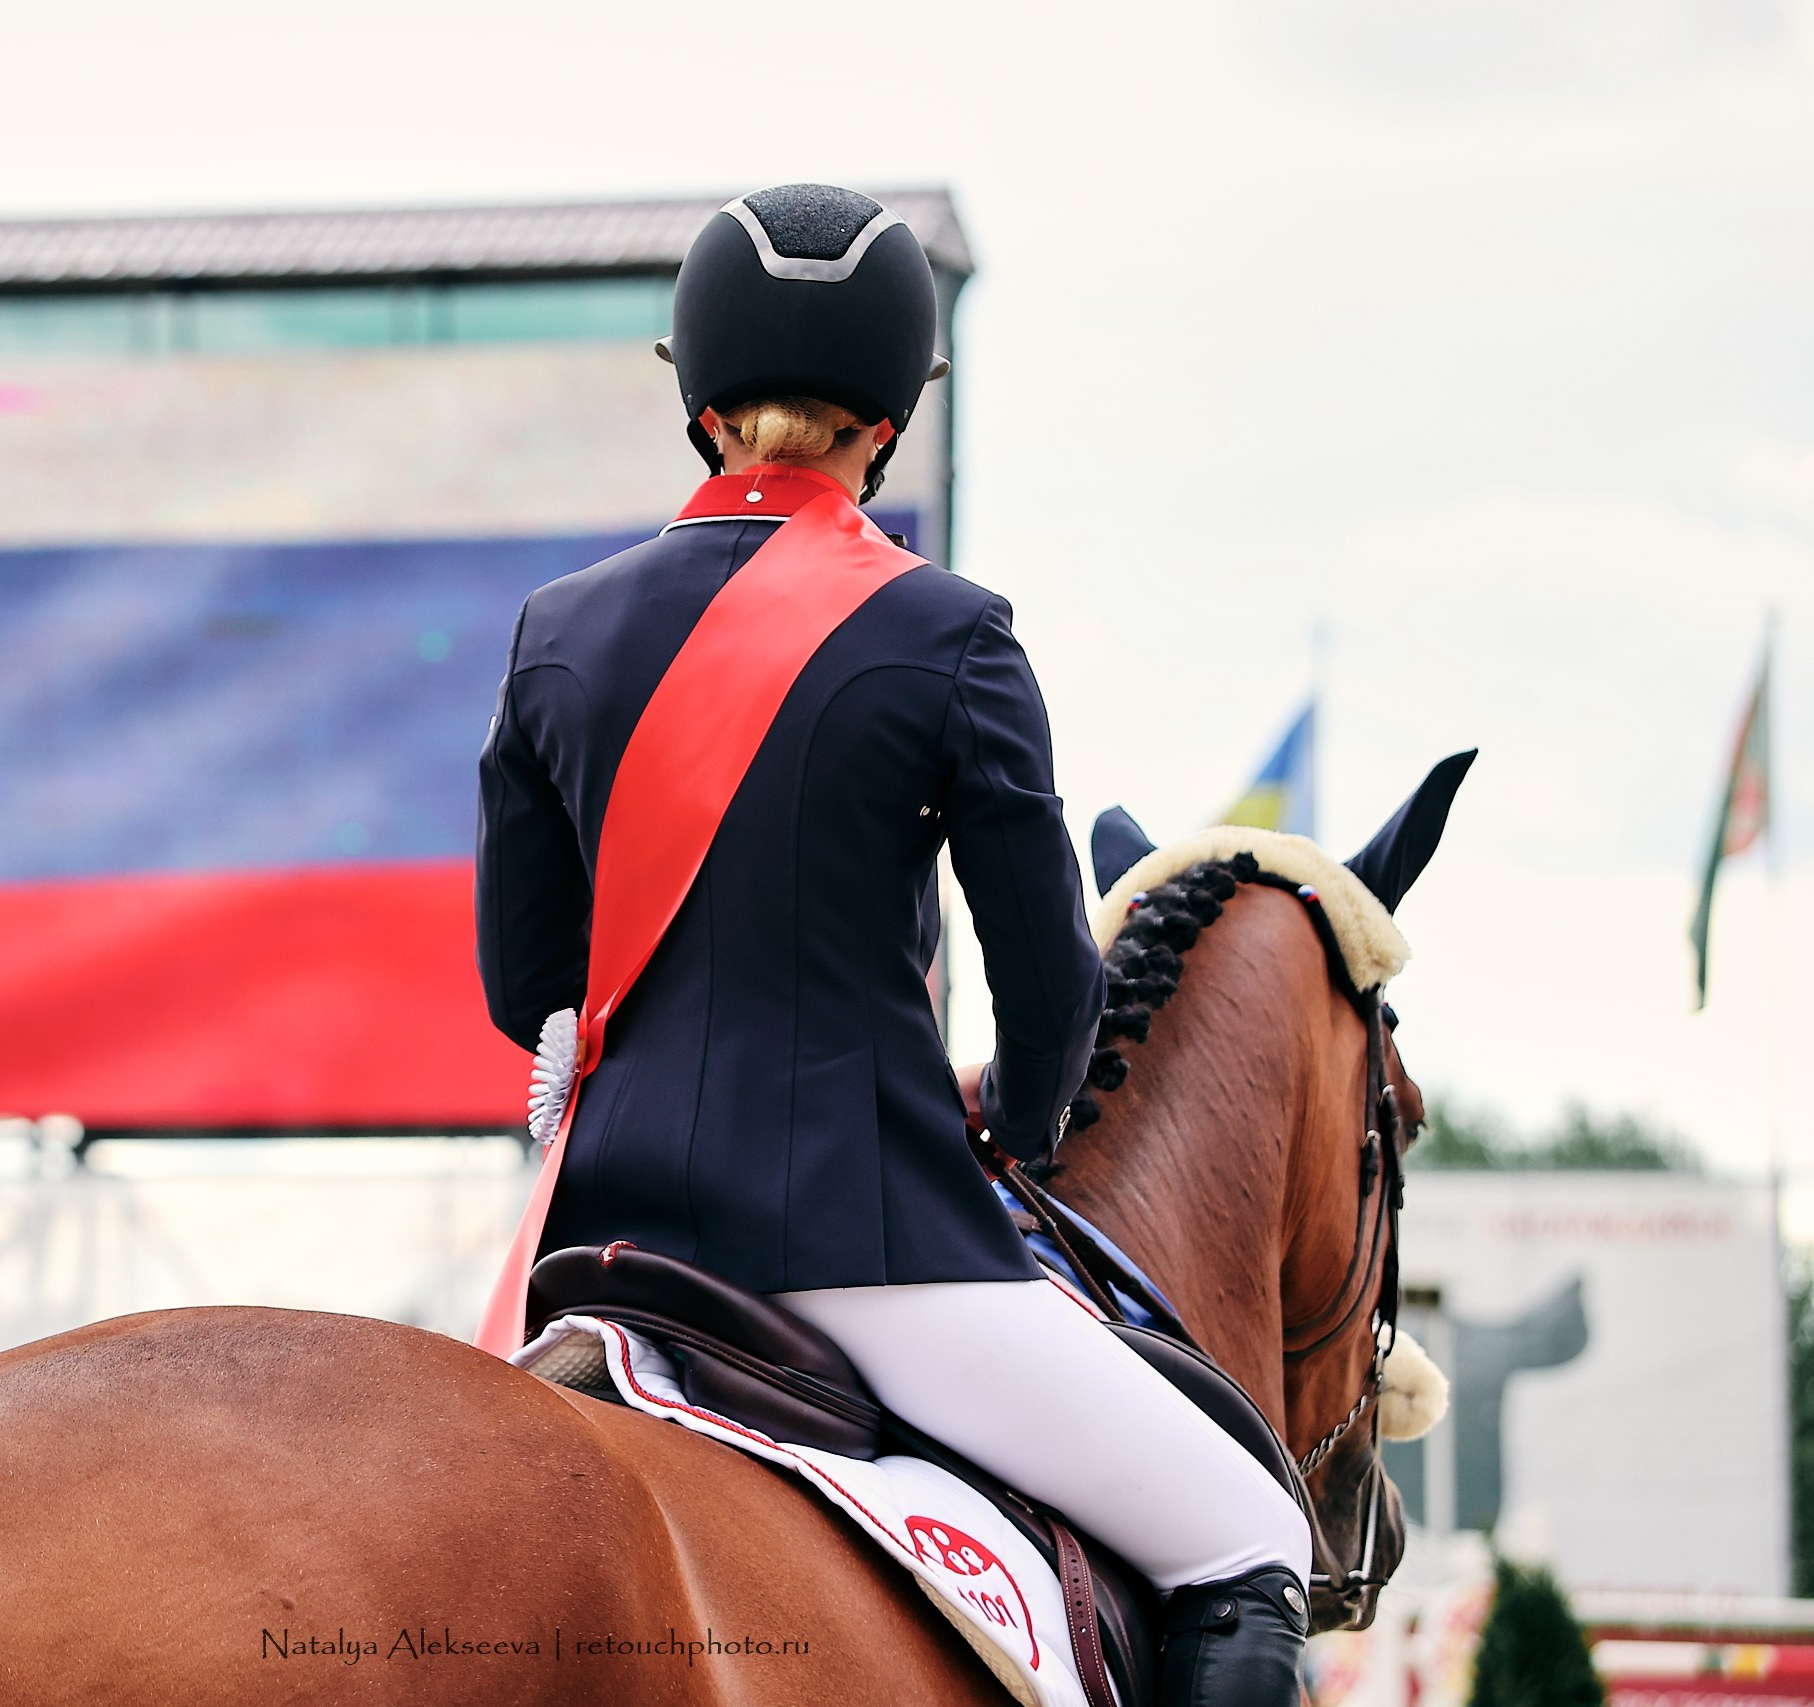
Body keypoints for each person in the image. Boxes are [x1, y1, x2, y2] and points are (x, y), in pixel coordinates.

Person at [474, 183, 1312, 1707]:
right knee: (1245, 1537)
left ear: (700, 402)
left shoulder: (556, 632)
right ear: (892, 418)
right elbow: (1050, 974)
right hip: (865, 1248)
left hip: (596, 1246)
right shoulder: (948, 633)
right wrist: (1024, 1121)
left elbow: (523, 987)